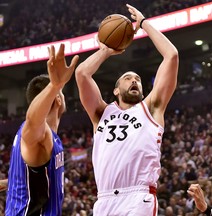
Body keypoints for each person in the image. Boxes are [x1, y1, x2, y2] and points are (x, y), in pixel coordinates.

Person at [75, 4, 178, 215]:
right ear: (115, 90)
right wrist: (105, 50)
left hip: (138, 197)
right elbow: (82, 74)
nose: (134, 81)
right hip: (103, 200)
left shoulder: (152, 107)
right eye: (128, 78)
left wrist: (142, 24)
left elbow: (172, 56)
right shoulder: (101, 113)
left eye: (138, 79)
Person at [5, 44, 79, 215]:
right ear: (58, 100)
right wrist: (55, 86)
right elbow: (32, 120)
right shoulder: (37, 132)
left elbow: (28, 179)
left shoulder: (44, 136)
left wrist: (7, 183)